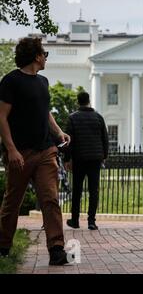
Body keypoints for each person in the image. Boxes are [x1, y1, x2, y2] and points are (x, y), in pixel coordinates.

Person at [0, 37, 70, 265]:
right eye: (45, 54)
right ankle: (3, 245)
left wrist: (59, 133)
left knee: (50, 199)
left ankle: (57, 249)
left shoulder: (43, 82)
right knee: (13, 202)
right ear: (37, 56)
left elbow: (45, 112)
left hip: (46, 150)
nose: (46, 58)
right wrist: (11, 149)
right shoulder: (11, 81)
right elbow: (1, 117)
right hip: (20, 153)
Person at [64, 92, 108, 231]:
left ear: (78, 101)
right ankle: (91, 221)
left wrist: (67, 159)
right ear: (89, 101)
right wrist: (104, 156)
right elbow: (105, 139)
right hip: (95, 159)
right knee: (93, 191)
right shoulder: (98, 118)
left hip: (79, 159)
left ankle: (75, 220)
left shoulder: (72, 118)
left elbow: (68, 141)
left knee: (77, 190)